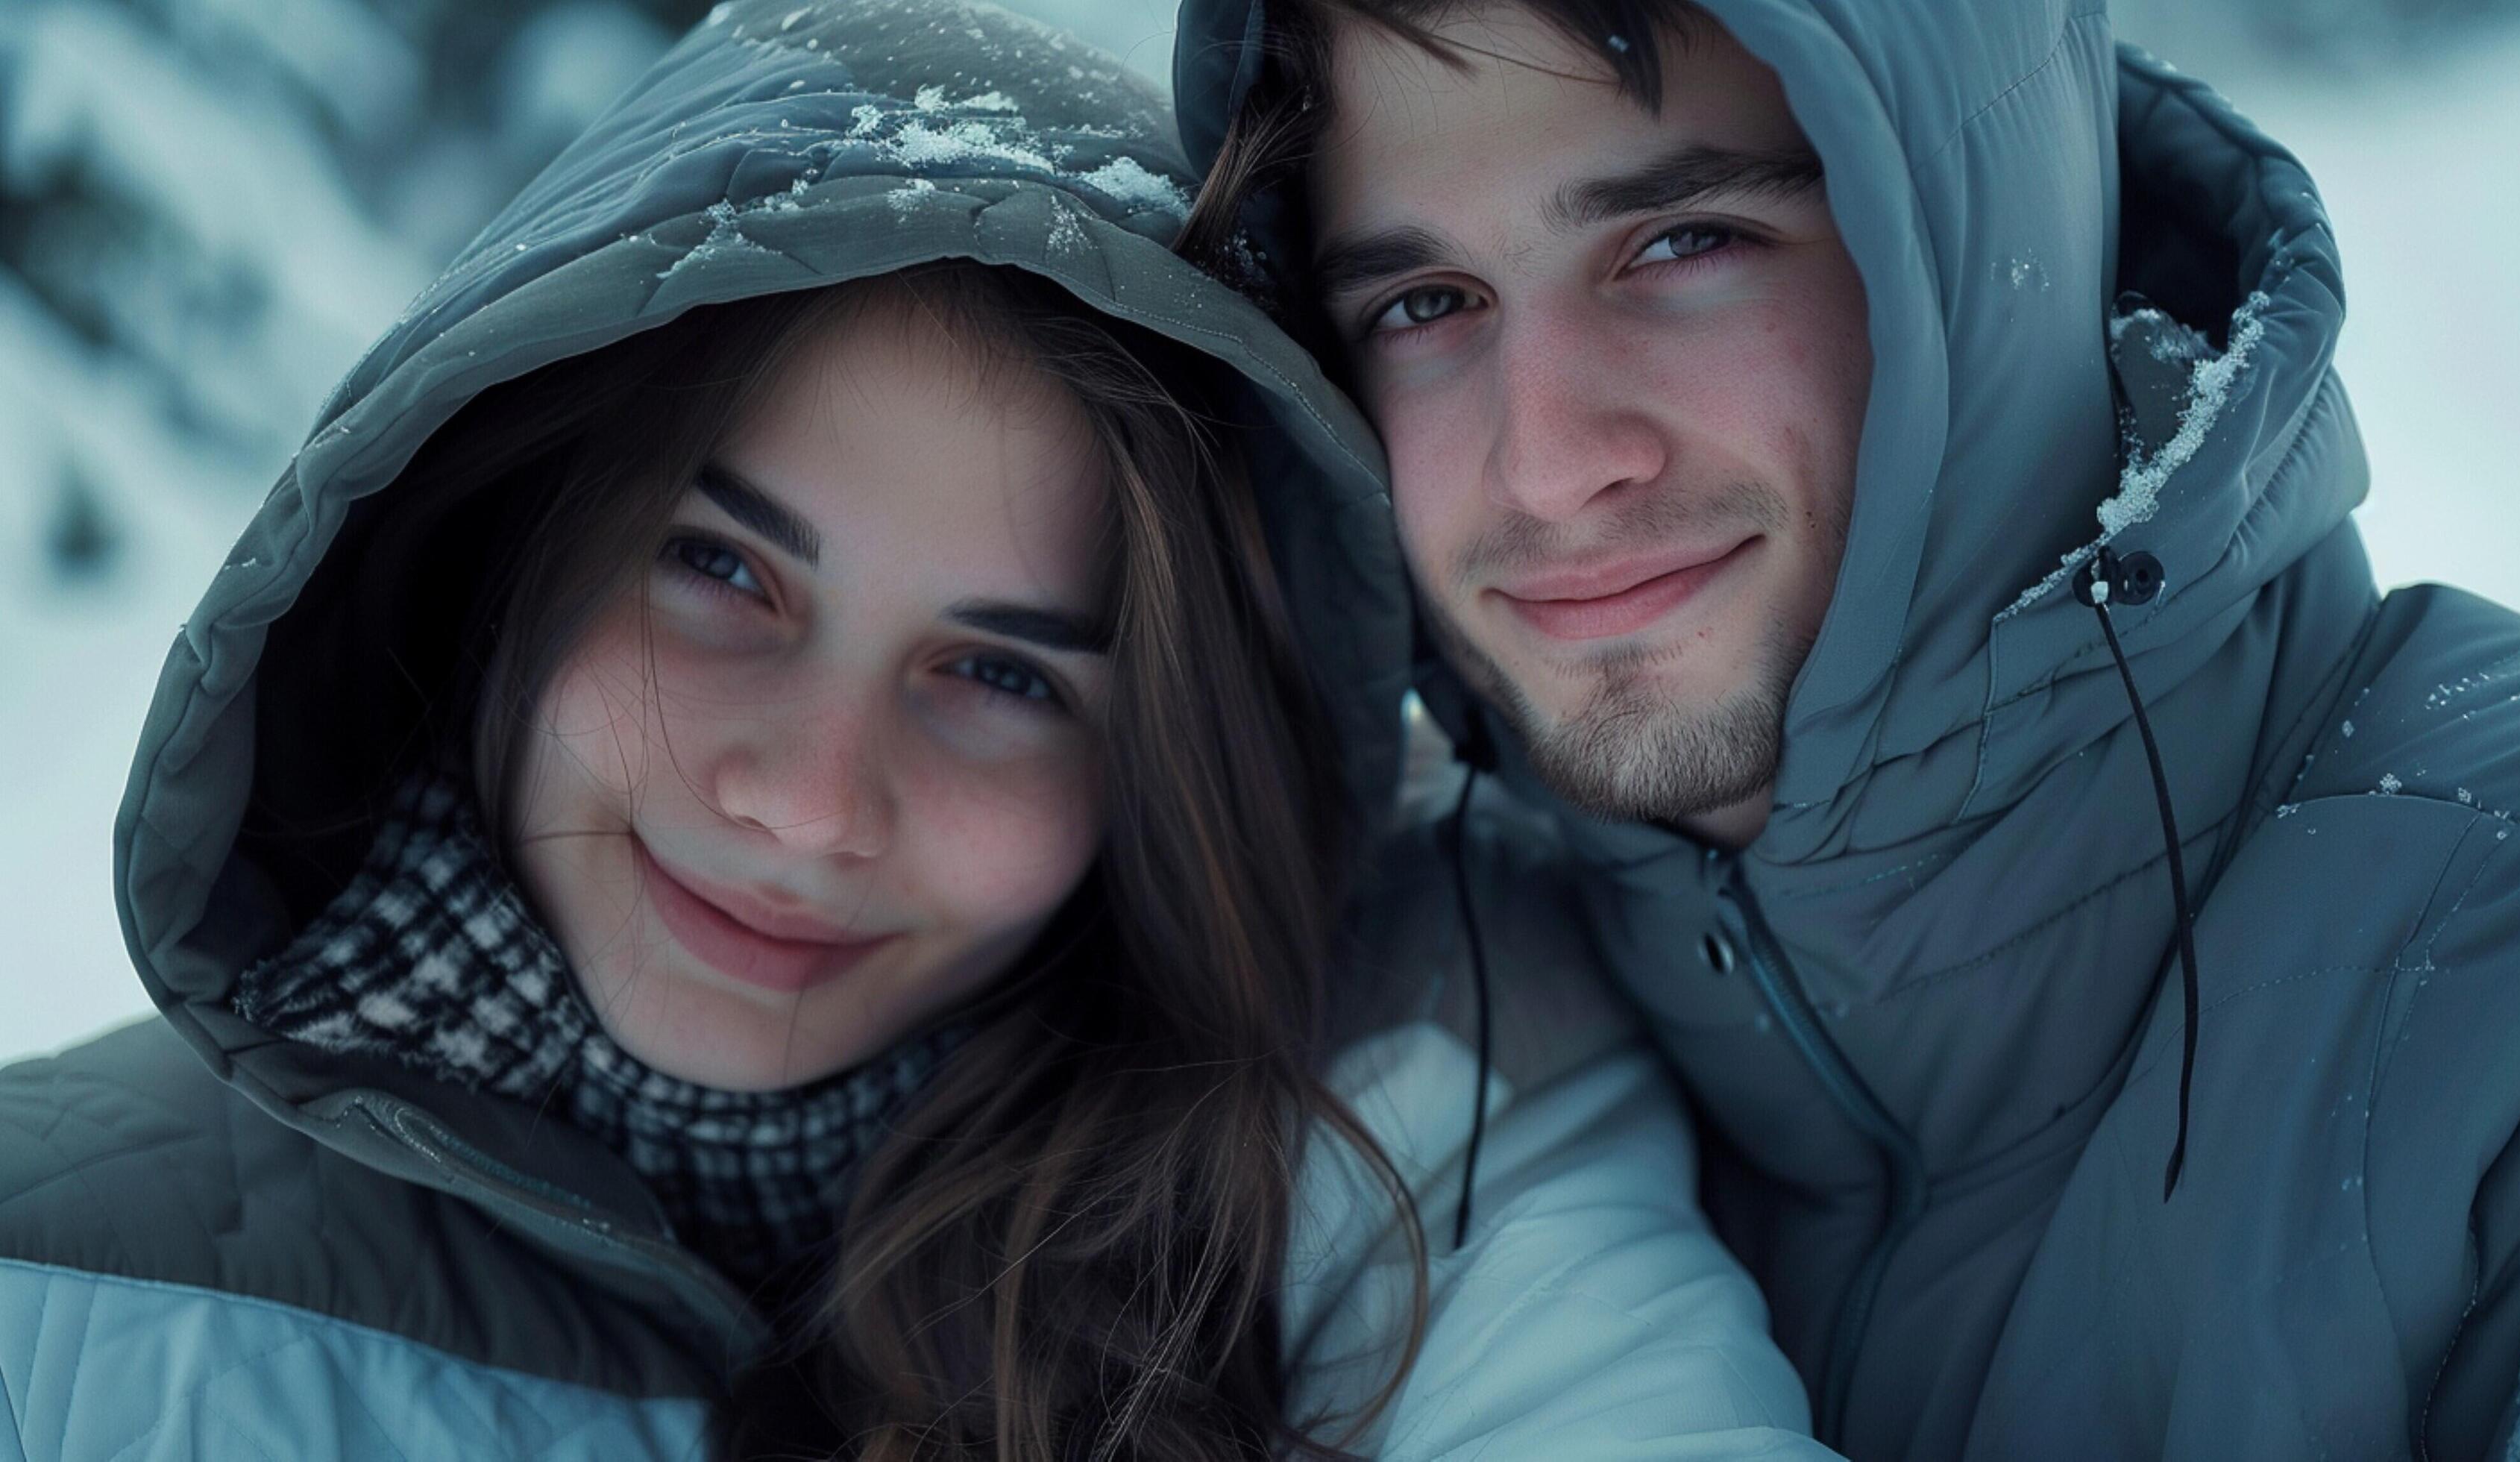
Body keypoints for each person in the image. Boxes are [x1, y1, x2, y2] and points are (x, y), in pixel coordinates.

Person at [0, 1, 1844, 1458]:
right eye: (721, 571)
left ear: (1161, 770)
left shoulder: (1395, 1110)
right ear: (504, 549)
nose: (807, 802)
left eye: (1008, 672)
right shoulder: (50, 1285)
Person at [1176, 0, 2520, 1457]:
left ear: (1978, 257)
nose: (1543, 468)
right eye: (1424, 302)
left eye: (1684, 242)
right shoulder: (1374, 1045)